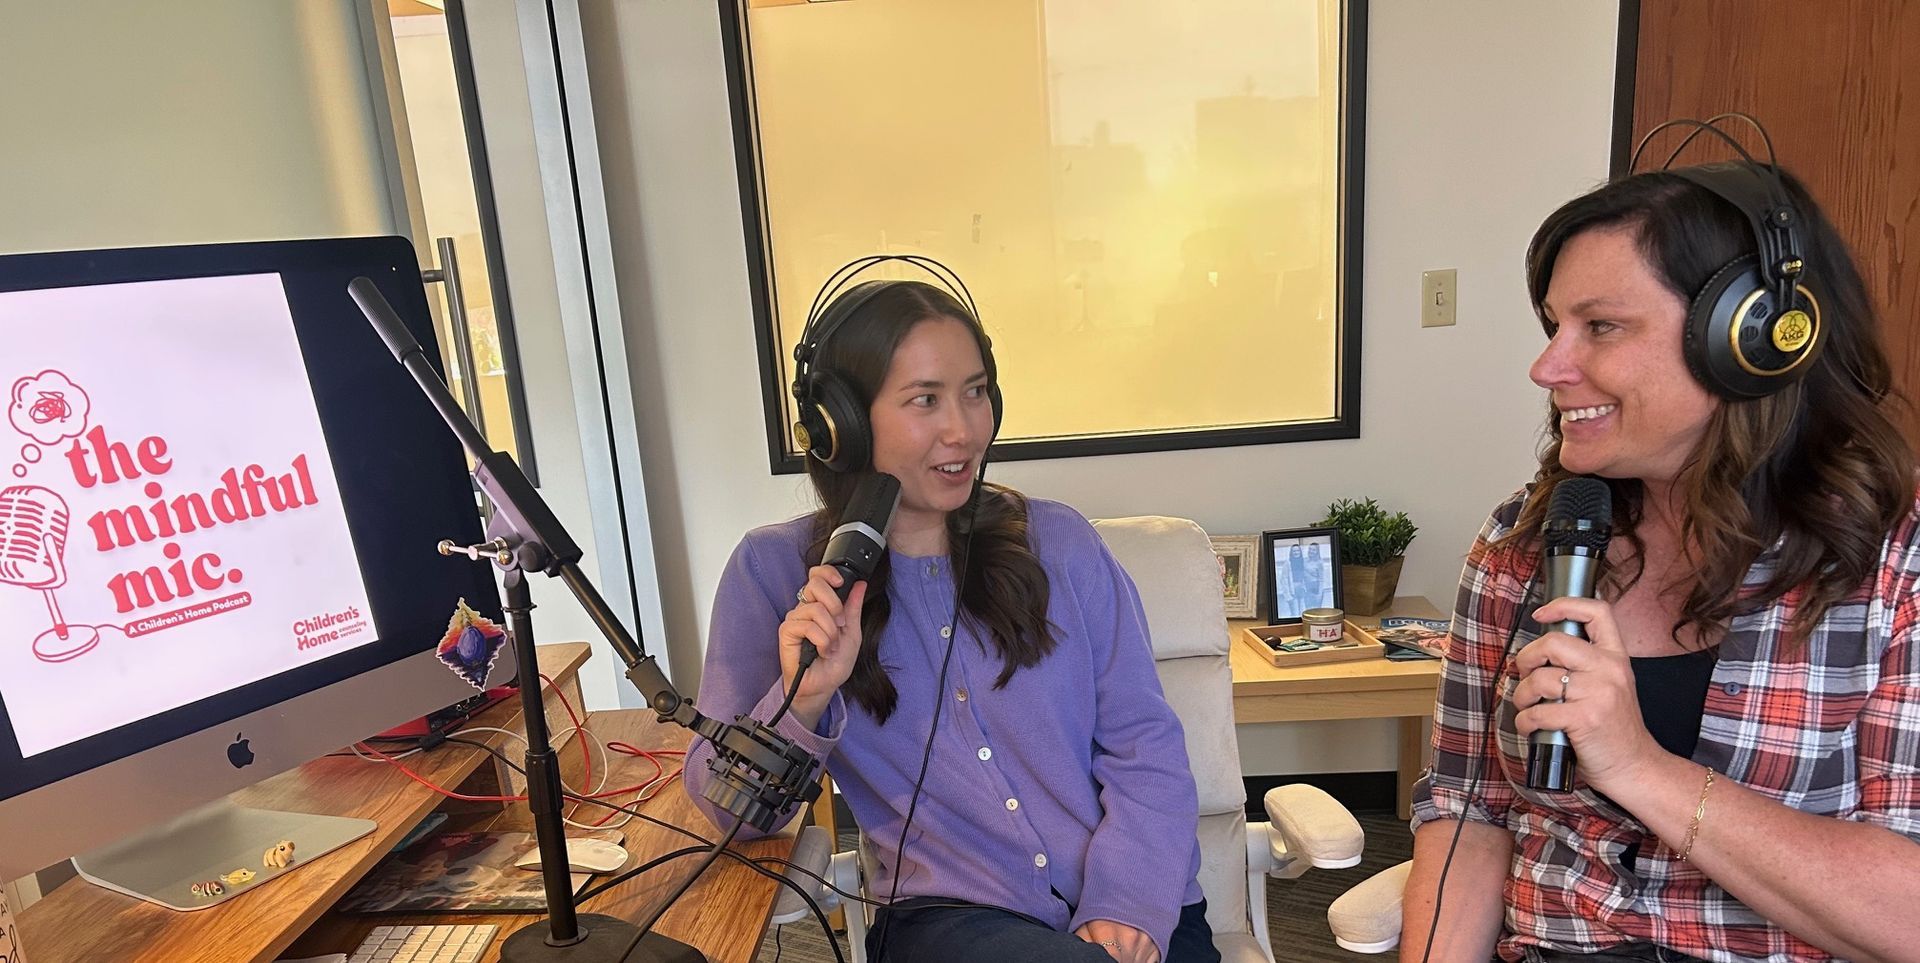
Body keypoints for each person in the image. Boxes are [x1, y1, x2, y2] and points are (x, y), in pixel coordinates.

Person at [1404, 161, 1920, 963]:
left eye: (1601, 327)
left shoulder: (1897, 561)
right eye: (1553, 327)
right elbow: (1468, 815)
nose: (1548, 368)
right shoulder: (1522, 539)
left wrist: (1638, 765)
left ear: (1746, 340)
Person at [684, 273, 1215, 963]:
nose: (963, 428)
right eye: (925, 399)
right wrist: (805, 696)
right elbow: (728, 813)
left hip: (1141, 910)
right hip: (949, 925)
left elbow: (1146, 743)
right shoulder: (776, 573)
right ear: (838, 425)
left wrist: (1128, 901)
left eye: (975, 391)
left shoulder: (1060, 542)